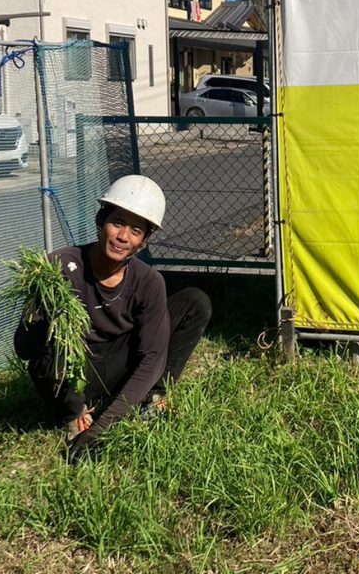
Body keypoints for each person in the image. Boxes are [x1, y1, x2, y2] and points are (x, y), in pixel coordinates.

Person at [14, 175, 211, 462]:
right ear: (101, 220)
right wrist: (48, 313)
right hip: (77, 371)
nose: (123, 237)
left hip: (121, 360)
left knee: (195, 302)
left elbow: (152, 357)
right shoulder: (59, 266)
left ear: (144, 240)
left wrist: (102, 429)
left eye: (135, 230)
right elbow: (24, 349)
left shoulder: (148, 281)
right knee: (50, 347)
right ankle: (75, 414)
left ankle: (151, 398)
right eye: (117, 223)